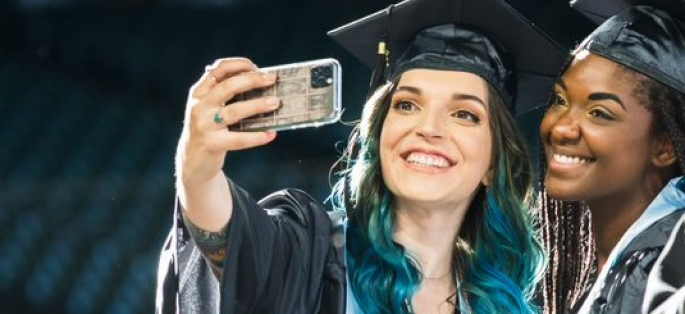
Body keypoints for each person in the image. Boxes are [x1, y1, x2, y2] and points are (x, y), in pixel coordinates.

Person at [154, 0, 568, 313]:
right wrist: (199, 166)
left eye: (464, 114)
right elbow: (231, 246)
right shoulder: (312, 255)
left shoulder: (497, 302)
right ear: (379, 133)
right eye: (406, 105)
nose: (428, 127)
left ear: (493, 165)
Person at [537, 2, 685, 314]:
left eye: (600, 113)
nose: (562, 128)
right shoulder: (622, 268)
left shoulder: (670, 279)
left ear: (666, 146)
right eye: (560, 100)